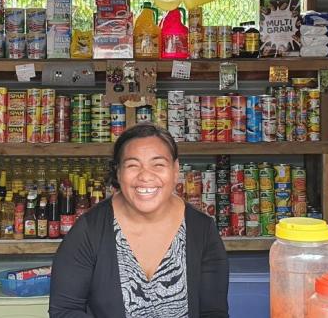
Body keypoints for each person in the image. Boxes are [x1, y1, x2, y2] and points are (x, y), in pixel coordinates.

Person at [50, 124, 229, 318]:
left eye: (158, 164)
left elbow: (213, 311)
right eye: (133, 165)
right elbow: (65, 310)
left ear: (175, 169)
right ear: (118, 172)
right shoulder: (88, 230)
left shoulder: (201, 229)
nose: (145, 176)